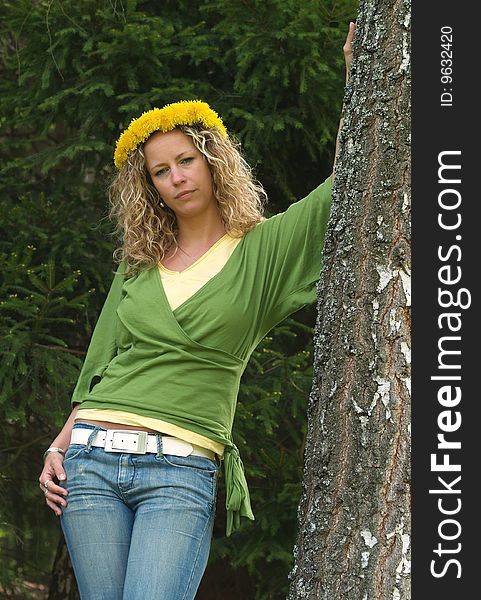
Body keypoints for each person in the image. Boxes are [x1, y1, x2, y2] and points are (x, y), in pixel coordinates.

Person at [38, 23, 356, 600]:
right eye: (161, 171)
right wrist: (58, 448)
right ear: (151, 187)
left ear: (212, 161)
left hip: (179, 469)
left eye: (185, 160)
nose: (177, 177)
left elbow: (344, 186)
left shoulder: (263, 251)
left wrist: (361, 80)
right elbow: (100, 362)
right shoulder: (138, 261)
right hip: (89, 466)